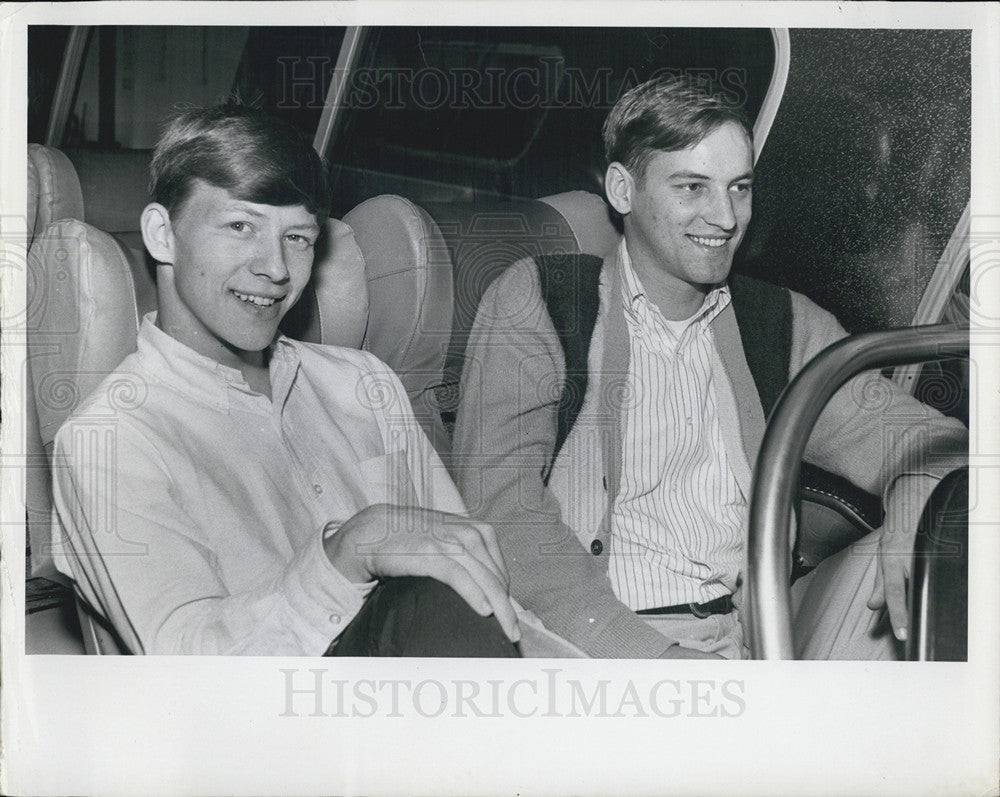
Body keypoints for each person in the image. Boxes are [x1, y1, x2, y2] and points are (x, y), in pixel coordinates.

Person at [452, 77, 968, 659]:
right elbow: (504, 514)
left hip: (756, 629)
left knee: (944, 554)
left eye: (739, 188)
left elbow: (929, 438)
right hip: (591, 640)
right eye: (692, 187)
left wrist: (916, 499)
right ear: (623, 190)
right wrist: (658, 662)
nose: (725, 217)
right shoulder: (542, 300)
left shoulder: (779, 322)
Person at [50, 103, 524, 656]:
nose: (275, 268)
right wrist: (347, 552)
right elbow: (187, 666)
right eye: (240, 226)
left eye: (298, 237)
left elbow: (472, 583)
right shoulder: (109, 442)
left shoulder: (363, 382)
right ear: (161, 235)